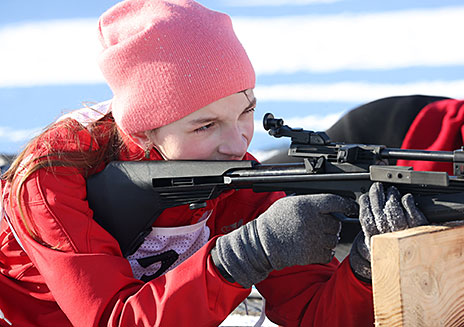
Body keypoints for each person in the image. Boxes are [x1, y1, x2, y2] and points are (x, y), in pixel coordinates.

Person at [0, 0, 428, 326]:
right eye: (205, 125)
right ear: (145, 128)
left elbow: (310, 312)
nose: (236, 142)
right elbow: (115, 318)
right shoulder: (53, 178)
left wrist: (368, 267)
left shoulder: (230, 172)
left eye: (245, 112)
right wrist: (240, 256)